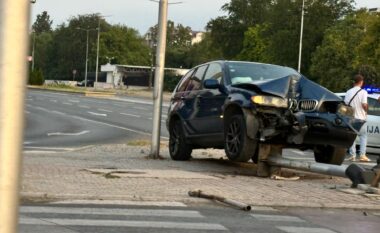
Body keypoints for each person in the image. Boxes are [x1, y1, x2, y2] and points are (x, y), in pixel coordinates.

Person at [344, 74, 370, 162]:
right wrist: (366, 110)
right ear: (361, 82)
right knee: (363, 136)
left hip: (351, 118)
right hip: (361, 118)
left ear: (354, 82)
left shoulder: (348, 92)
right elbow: (364, 104)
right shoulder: (363, 92)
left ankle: (352, 155)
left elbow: (346, 105)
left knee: (352, 137)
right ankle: (362, 155)